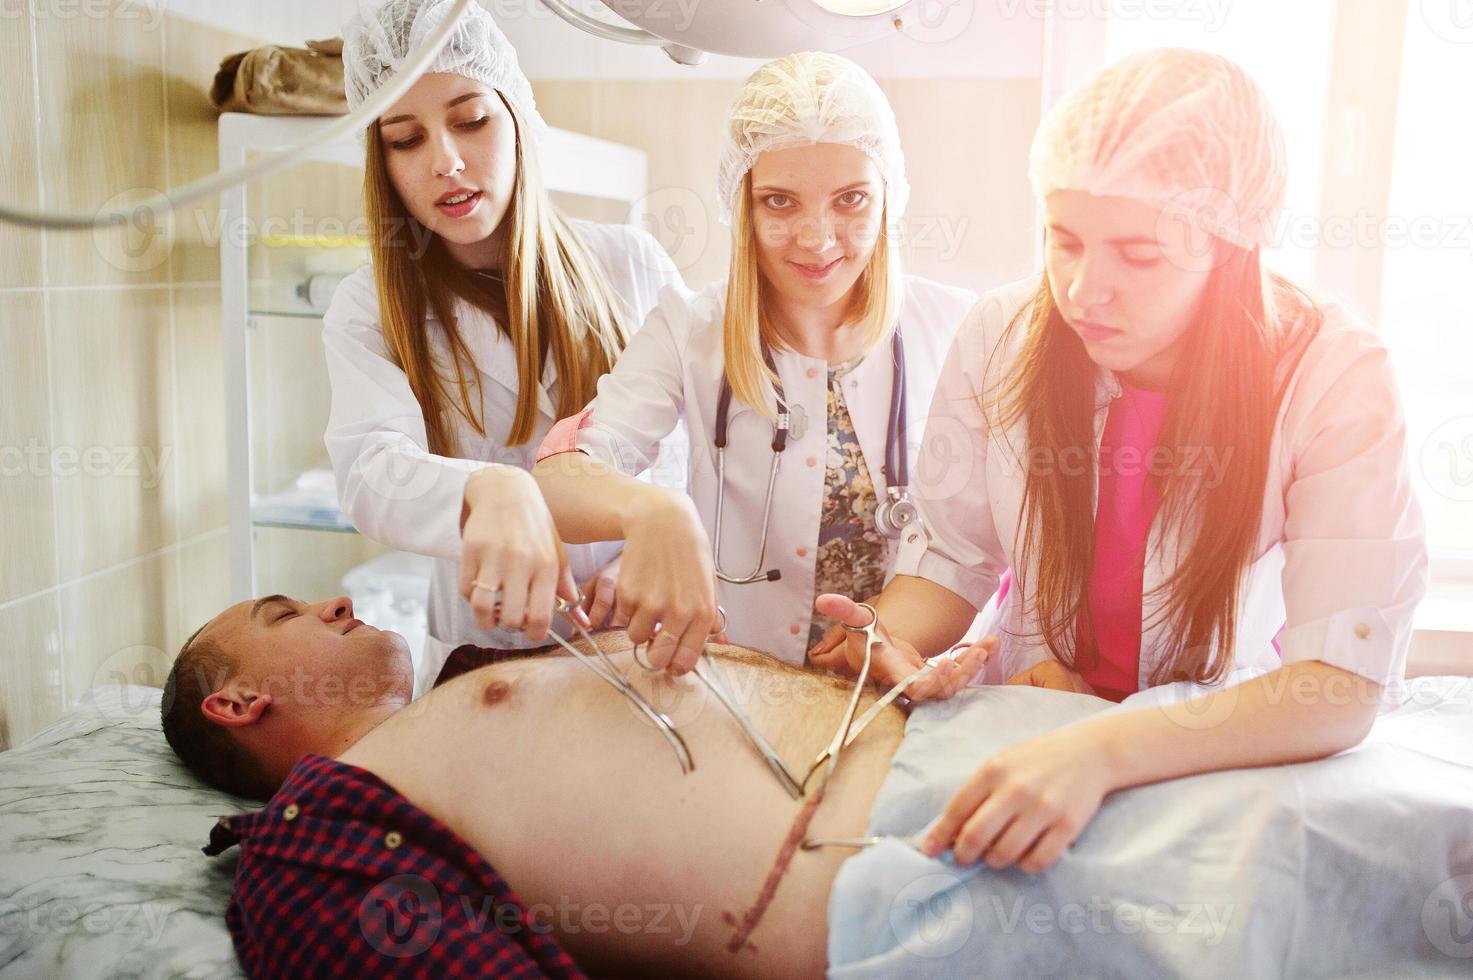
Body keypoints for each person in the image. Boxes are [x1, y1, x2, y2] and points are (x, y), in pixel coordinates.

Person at [812, 47, 1429, 873]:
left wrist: (1101, 750)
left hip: (1215, 749)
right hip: (1029, 713)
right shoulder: (999, 335)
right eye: (1062, 240)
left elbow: (1338, 687)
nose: (1082, 289)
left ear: (1229, 244)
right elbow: (952, 559)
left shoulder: (1331, 373)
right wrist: (888, 644)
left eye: (1138, 255)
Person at [530, 52, 983, 682]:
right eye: (779, 201)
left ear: (889, 197)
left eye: (850, 199)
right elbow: (558, 485)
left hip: (914, 674)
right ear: (741, 205)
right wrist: (649, 512)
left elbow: (980, 544)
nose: (817, 238)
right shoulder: (690, 327)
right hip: (748, 685)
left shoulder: (964, 327)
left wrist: (892, 634)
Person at [323, 0, 688, 695]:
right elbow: (371, 471)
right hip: (485, 648)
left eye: (470, 120)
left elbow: (690, 436)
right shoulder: (368, 305)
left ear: (516, 116)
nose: (447, 162)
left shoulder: (630, 263)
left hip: (638, 630)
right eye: (406, 138)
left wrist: (645, 547)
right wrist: (487, 490)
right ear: (383, 161)